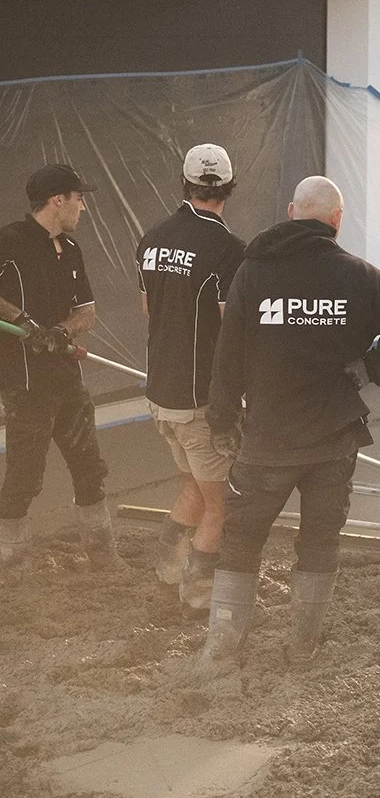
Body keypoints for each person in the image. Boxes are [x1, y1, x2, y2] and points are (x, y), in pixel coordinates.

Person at [204, 175, 380, 665]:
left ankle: (222, 649)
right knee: (320, 540)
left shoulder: (252, 273)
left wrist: (221, 421)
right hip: (333, 441)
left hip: (266, 439)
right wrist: (367, 370)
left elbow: (228, 355)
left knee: (241, 538)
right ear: (336, 220)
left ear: (290, 212)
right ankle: (302, 646)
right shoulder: (360, 276)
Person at [136, 144, 245, 611]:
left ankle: (166, 576)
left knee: (193, 488)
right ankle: (199, 598)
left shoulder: (152, 237)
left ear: (186, 185)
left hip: (160, 393)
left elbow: (148, 309)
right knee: (220, 504)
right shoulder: (228, 249)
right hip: (199, 399)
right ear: (228, 189)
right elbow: (230, 323)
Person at [0, 164, 119, 569]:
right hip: (26, 385)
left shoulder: (71, 250)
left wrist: (63, 332)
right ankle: (13, 561)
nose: (83, 207)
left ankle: (103, 556)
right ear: (57, 200)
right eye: (78, 198)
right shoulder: (9, 242)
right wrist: (22, 323)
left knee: (90, 469)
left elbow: (86, 310)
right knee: (24, 478)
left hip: (68, 380)